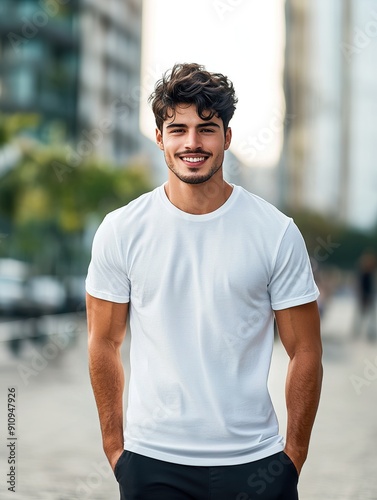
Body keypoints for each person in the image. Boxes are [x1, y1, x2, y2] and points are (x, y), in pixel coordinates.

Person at [86, 63, 323, 500]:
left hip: (255, 463)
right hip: (152, 462)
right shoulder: (121, 230)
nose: (192, 143)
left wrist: (293, 457)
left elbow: (305, 350)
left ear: (227, 137)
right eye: (178, 129)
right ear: (159, 137)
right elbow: (104, 343)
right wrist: (116, 448)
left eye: (207, 129)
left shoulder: (275, 231)